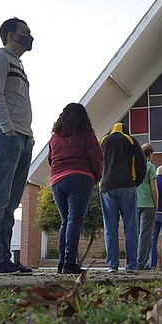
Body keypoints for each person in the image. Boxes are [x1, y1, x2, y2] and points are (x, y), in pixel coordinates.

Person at [0, 17, 35, 274]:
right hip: (4, 136)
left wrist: (27, 135)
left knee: (11, 202)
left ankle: (3, 257)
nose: (30, 36)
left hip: (23, 137)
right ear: (11, 35)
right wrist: (8, 129)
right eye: (26, 32)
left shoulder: (20, 65)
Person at [48, 103, 103, 274]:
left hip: (57, 180)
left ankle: (62, 263)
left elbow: (51, 159)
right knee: (74, 221)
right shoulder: (86, 135)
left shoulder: (54, 137)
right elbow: (97, 158)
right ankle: (70, 262)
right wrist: (96, 177)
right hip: (80, 177)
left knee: (65, 221)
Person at [99, 122, 147, 273]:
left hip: (107, 187)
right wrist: (136, 182)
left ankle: (112, 265)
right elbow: (141, 164)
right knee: (131, 227)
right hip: (127, 186)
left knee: (110, 228)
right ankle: (131, 265)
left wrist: (101, 181)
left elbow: (98, 164)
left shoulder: (103, 141)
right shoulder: (131, 140)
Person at [136, 143, 158, 270]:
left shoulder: (135, 166)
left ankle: (133, 262)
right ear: (150, 154)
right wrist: (156, 204)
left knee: (136, 233)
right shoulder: (150, 166)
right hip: (148, 203)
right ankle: (141, 263)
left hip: (135, 203)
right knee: (145, 234)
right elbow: (154, 188)